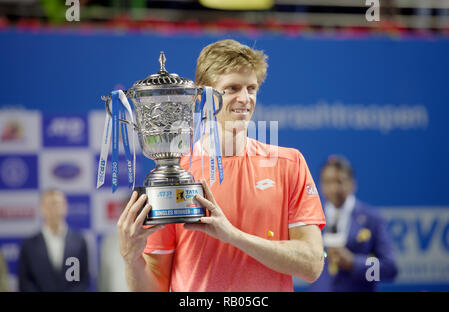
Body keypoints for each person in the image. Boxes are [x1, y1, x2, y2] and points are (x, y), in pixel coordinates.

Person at [117, 39, 326, 292]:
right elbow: (154, 287)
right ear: (202, 97)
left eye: (252, 88)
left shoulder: (289, 164)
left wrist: (233, 236)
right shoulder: (174, 176)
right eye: (232, 88)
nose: (245, 98)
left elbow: (312, 264)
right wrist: (130, 258)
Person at [309, 156, 398, 292]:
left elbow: (390, 268)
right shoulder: (311, 217)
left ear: (352, 184)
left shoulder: (371, 219)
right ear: (320, 186)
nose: (334, 188)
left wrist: (354, 263)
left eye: (340, 181)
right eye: (328, 182)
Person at [18, 189, 89, 291]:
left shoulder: (79, 242)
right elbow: (25, 282)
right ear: (41, 209)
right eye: (49, 204)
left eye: (57, 204)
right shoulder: (29, 245)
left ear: (65, 207)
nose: (54, 209)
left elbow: (82, 280)